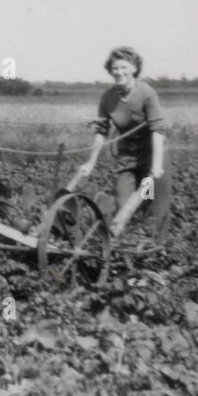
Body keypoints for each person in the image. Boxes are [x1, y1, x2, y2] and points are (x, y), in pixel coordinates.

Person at [65, 46, 170, 248]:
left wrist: (156, 166)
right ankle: (126, 245)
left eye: (124, 67)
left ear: (133, 68)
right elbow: (101, 131)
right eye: (115, 68)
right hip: (127, 158)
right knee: (124, 203)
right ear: (110, 70)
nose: (119, 72)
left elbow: (157, 129)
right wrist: (90, 162)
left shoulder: (146, 93)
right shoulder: (108, 98)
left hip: (152, 157)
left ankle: (154, 249)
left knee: (148, 201)